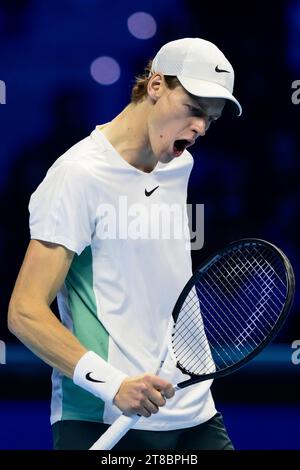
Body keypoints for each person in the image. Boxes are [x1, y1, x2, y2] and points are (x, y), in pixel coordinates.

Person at [8, 37, 242, 450]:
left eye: (211, 119)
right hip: (102, 418)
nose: (200, 127)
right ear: (155, 86)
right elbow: (24, 312)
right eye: (192, 110)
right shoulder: (76, 176)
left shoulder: (179, 164)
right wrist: (113, 384)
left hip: (194, 412)